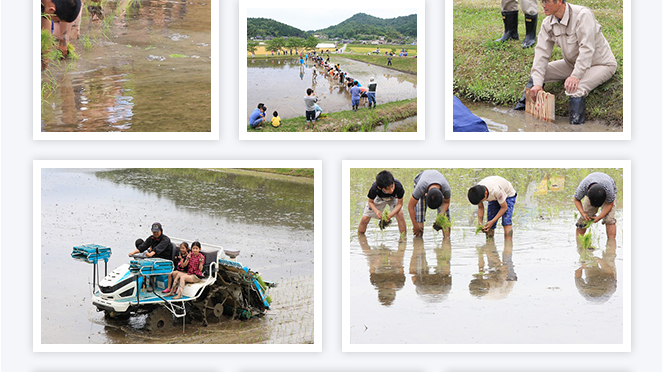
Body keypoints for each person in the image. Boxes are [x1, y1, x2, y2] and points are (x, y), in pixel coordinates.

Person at [513, 0, 617, 124]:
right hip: (572, 64)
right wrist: (537, 84)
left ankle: (575, 128)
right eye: (542, 1)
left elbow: (587, 49)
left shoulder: (583, 15)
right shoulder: (548, 22)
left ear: (559, 1)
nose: (543, 5)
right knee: (539, 75)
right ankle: (518, 113)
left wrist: (575, 76)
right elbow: (541, 53)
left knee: (576, 89)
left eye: (547, 1)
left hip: (600, 64)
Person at [358, 170, 407, 236]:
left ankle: (403, 238)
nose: (391, 190)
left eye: (392, 187)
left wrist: (390, 215)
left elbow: (400, 204)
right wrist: (376, 211)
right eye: (387, 189)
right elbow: (370, 202)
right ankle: (360, 237)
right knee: (365, 218)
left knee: (400, 214)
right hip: (379, 198)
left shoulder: (398, 186)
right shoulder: (374, 188)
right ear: (380, 188)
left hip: (393, 198)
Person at [573, 172, 617, 241]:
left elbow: (610, 204)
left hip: (607, 189)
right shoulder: (583, 187)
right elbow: (576, 200)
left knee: (610, 219)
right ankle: (579, 243)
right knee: (584, 218)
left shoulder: (609, 190)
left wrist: (599, 217)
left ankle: (611, 244)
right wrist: (583, 213)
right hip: (592, 189)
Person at [407, 170, 452, 237]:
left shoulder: (446, 189)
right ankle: (419, 242)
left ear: (443, 196)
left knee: (445, 219)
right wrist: (415, 225)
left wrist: (440, 216)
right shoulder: (420, 188)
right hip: (422, 181)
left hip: (437, 184)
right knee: (419, 221)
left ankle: (446, 241)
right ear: (425, 194)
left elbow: (446, 202)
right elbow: (411, 206)